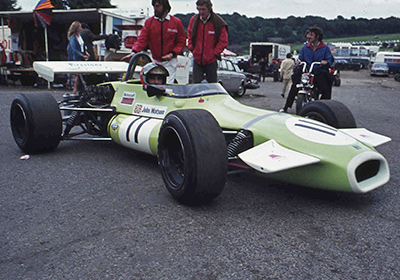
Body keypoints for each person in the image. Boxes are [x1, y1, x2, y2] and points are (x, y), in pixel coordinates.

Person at [121, 0, 186, 84]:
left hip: (170, 62)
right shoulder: (149, 22)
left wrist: (172, 54)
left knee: (167, 85)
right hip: (154, 60)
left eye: (158, 6)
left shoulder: (176, 22)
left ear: (165, 7)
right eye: (154, 6)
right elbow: (142, 40)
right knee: (152, 85)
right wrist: (134, 52)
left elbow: (181, 43)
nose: (155, 9)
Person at [280, 26, 333, 112]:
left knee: (326, 86)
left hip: (319, 71)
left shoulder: (325, 48)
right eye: (308, 34)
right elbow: (300, 58)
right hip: (306, 71)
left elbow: (329, 60)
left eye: (311, 35)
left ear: (317, 36)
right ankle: (286, 107)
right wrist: (298, 62)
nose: (308, 37)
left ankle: (324, 108)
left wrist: (325, 62)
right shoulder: (305, 47)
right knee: (295, 85)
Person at [187, 0, 228, 83]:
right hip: (197, 59)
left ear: (209, 9)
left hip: (211, 61)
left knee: (212, 86)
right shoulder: (194, 20)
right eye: (199, 9)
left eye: (203, 9)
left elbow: (223, 41)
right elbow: (189, 35)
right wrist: (192, 49)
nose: (201, 12)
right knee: (195, 86)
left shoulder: (217, 22)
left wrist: (214, 53)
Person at [67, 21, 90, 94]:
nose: (81, 28)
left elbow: (82, 45)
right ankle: (75, 88)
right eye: (79, 27)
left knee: (82, 73)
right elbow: (74, 49)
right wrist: (81, 55)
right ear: (76, 28)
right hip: (77, 58)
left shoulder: (80, 36)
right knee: (78, 74)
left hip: (82, 56)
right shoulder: (73, 38)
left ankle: (80, 88)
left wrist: (86, 52)